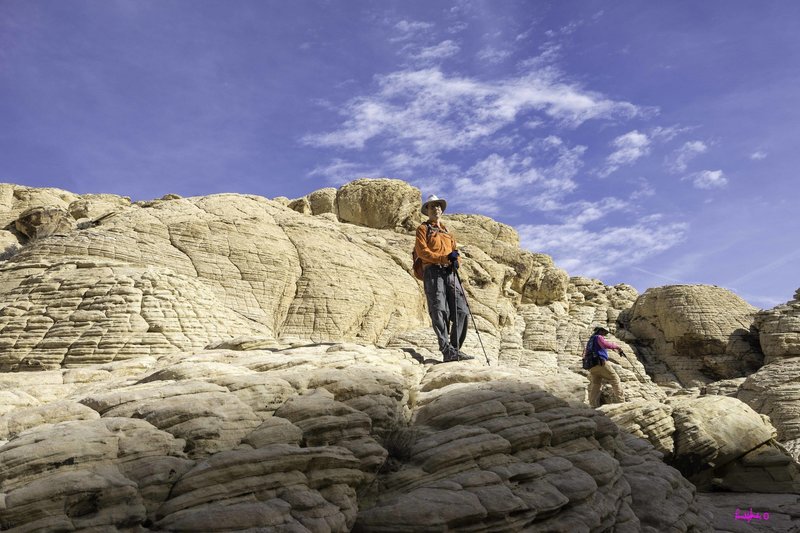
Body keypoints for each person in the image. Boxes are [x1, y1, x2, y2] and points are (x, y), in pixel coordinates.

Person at [415, 194, 474, 363]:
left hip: (449, 272)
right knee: (439, 309)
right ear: (427, 210)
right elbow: (422, 252)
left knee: (461, 310)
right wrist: (443, 258)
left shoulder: (447, 231)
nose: (436, 209)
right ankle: (446, 349)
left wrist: (456, 260)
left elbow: (455, 252)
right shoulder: (423, 229)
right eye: (432, 206)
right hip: (432, 271)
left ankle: (454, 349)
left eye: (438, 206)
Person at [584, 326, 625, 407]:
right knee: (615, 379)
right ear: (600, 331)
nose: (605, 335)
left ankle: (592, 405)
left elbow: (585, 353)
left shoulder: (590, 341)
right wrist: (618, 347)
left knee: (596, 384)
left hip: (591, 366)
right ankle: (621, 402)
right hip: (600, 363)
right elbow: (605, 344)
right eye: (605, 332)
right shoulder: (599, 337)